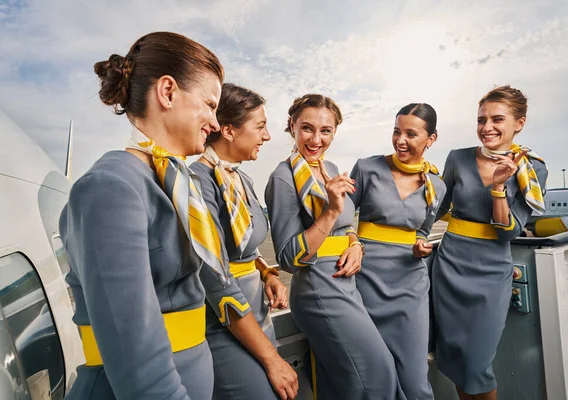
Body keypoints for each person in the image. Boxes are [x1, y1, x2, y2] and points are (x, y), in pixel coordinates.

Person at [60, 31, 244, 400]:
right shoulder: (109, 187)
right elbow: (137, 364)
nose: (214, 120)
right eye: (209, 104)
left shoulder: (175, 184)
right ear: (167, 92)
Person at [265, 94, 405, 400]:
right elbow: (289, 258)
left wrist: (356, 245)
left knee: (341, 384)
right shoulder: (283, 179)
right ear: (292, 126)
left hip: (346, 283)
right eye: (307, 128)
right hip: (319, 288)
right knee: (377, 374)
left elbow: (346, 223)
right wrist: (328, 211)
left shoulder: (328, 166)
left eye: (325, 131)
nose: (316, 139)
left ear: (335, 132)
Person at [432, 85, 548, 400]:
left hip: (492, 269)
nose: (487, 128)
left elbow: (508, 232)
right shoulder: (457, 158)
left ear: (519, 123)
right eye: (482, 119)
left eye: (497, 119)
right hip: (450, 263)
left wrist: (498, 188)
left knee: (477, 362)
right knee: (456, 358)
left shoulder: (531, 168)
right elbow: (437, 209)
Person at [190, 83, 297, 400]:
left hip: (258, 316)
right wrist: (271, 358)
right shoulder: (197, 182)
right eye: (260, 127)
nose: (267, 137)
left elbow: (245, 248)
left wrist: (267, 273)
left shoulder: (242, 179)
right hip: (225, 325)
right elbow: (215, 278)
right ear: (228, 130)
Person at [349, 103, 446, 400]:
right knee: (373, 377)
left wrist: (420, 245)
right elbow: (341, 220)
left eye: (411, 134)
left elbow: (422, 230)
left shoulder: (437, 186)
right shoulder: (367, 168)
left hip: (410, 285)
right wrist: (353, 242)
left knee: (415, 381)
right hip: (364, 280)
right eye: (396, 131)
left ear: (431, 139)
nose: (400, 140)